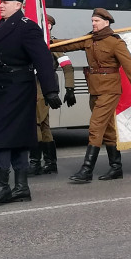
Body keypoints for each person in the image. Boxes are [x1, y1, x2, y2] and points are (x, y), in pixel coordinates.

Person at [0, 0, 60, 206]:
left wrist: (51, 90)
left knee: (5, 138)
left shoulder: (27, 28)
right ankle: (21, 187)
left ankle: (5, 186)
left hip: (18, 88)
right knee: (10, 138)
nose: (1, 5)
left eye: (6, 2)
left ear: (18, 5)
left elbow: (42, 59)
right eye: (0, 1)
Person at [52, 8, 131, 183]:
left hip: (110, 90)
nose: (93, 24)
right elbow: (69, 44)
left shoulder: (115, 42)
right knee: (108, 129)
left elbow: (130, 65)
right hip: (94, 89)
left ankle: (87, 169)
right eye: (92, 21)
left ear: (106, 22)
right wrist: (48, 42)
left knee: (96, 126)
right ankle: (116, 167)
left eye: (96, 21)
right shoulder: (89, 40)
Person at [29, 15, 76, 176]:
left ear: (49, 27)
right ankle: (50, 163)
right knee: (44, 125)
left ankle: (35, 163)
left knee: (35, 122)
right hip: (30, 86)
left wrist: (70, 88)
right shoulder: (31, 42)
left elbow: (67, 67)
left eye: (47, 24)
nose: (45, 26)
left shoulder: (54, 44)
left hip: (44, 88)